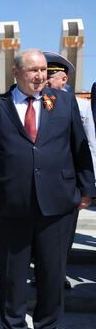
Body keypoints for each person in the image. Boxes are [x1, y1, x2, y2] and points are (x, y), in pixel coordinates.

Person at [0, 49, 95, 329]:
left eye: (43, 70)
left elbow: (80, 150)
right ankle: (12, 328)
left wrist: (86, 188)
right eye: (33, 70)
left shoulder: (65, 103)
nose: (40, 76)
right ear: (17, 73)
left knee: (52, 272)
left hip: (58, 202)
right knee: (13, 272)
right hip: (12, 204)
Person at [44, 51, 96, 290]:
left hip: (69, 178)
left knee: (65, 232)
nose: (45, 79)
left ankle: (59, 272)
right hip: (41, 176)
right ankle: (40, 271)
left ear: (63, 80)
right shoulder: (33, 100)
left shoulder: (80, 104)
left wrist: (89, 182)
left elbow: (88, 144)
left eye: (51, 75)